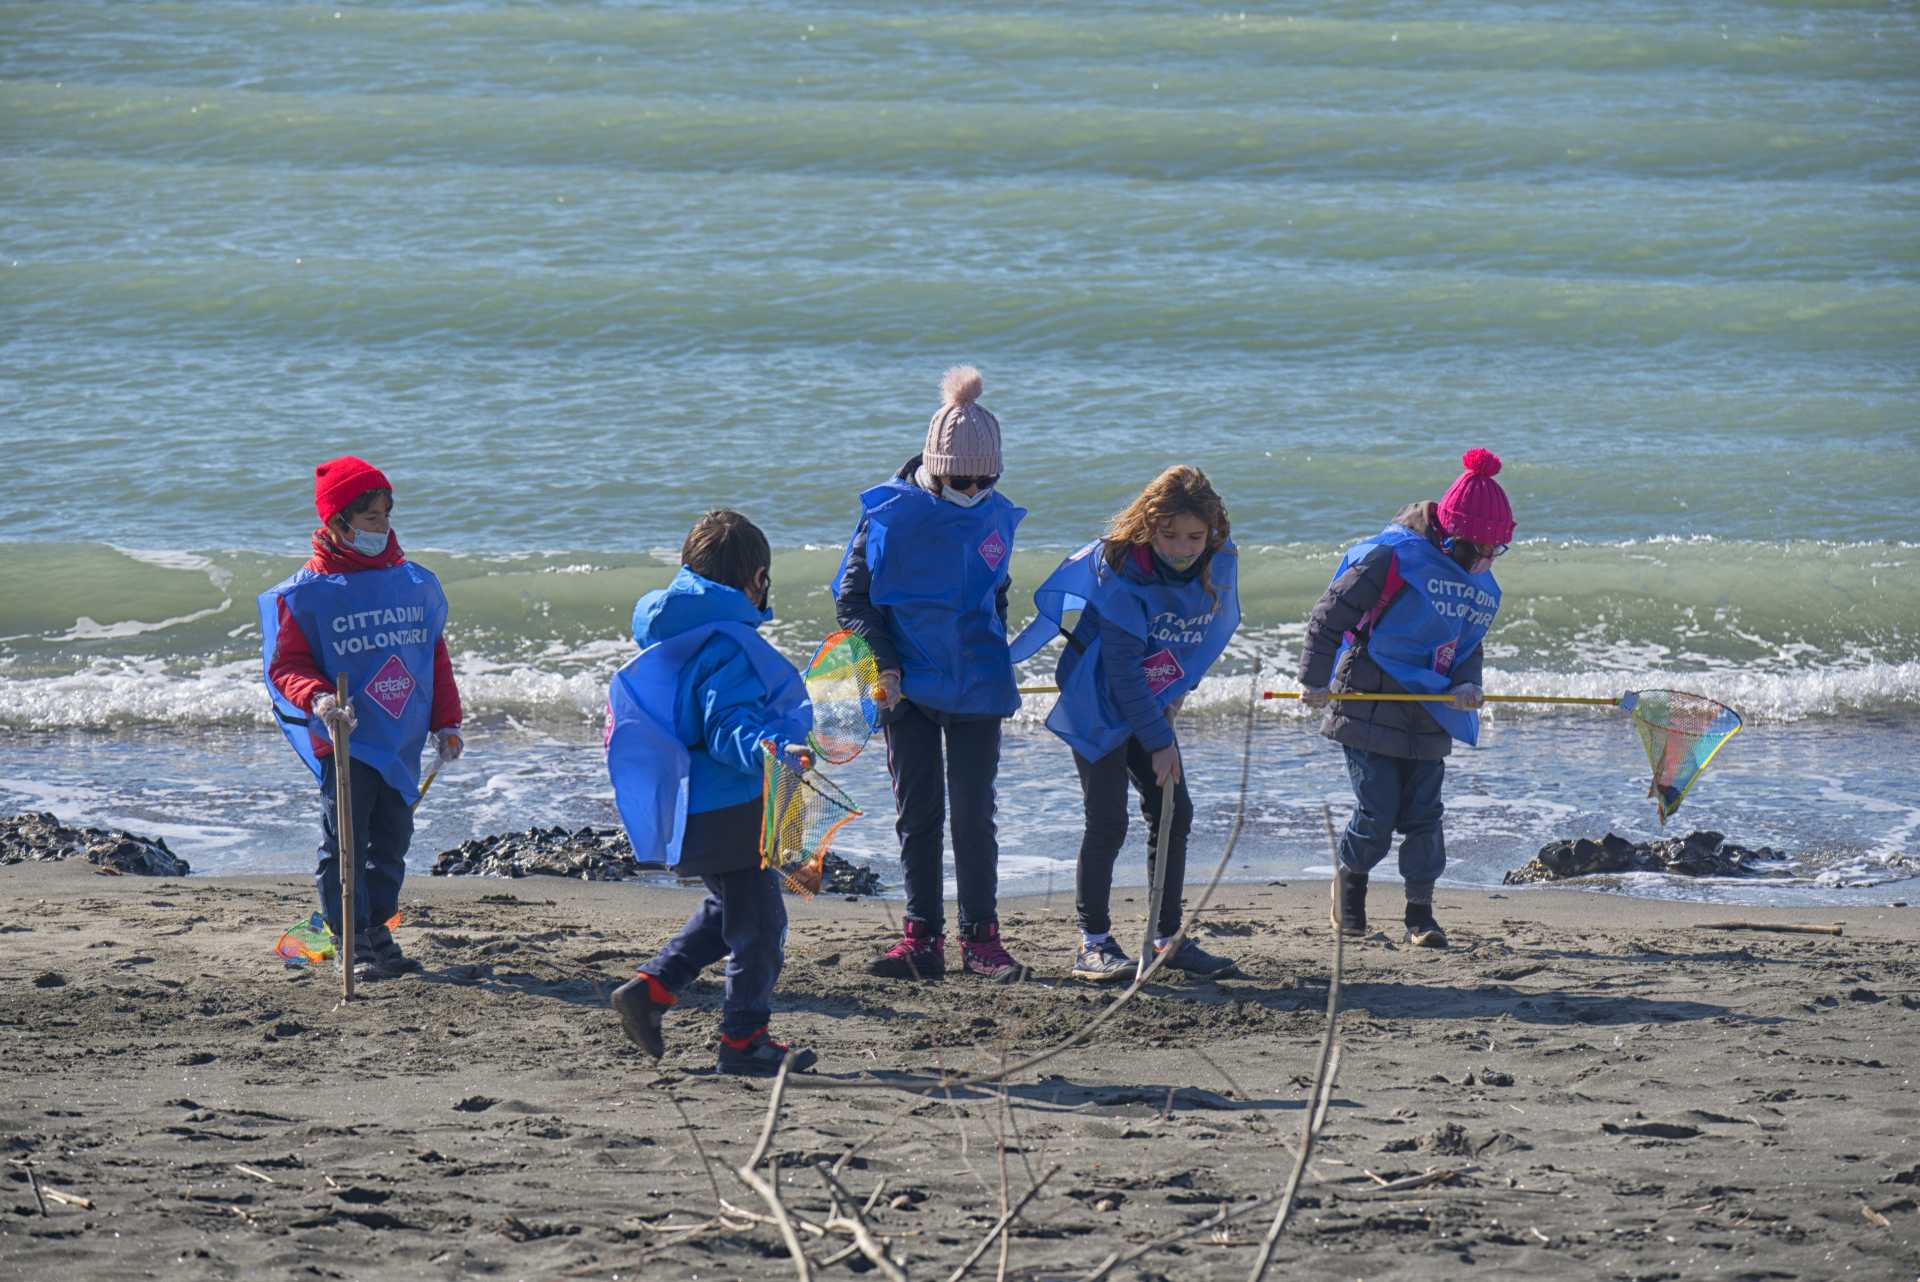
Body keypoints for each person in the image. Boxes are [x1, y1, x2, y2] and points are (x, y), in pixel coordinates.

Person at [605, 510, 818, 1076]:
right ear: (757, 578)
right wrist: (771, 750)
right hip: (731, 803)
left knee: (731, 910)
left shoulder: (682, 634)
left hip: (695, 804)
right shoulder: (729, 644)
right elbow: (726, 725)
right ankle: (744, 1042)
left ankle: (651, 990)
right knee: (762, 926)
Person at [832, 365, 1026, 982]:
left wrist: (998, 640)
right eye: (959, 478)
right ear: (935, 466)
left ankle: (982, 939)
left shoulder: (993, 513)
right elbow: (852, 599)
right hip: (905, 687)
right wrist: (884, 664)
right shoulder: (887, 516)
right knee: (919, 813)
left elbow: (996, 590)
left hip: (976, 683)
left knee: (975, 812)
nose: (971, 488)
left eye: (983, 479)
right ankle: (921, 938)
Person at [1010, 466, 1240, 981]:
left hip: (1148, 695)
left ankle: (1165, 938)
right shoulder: (1122, 574)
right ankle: (1092, 943)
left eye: (1194, 537)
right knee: (1108, 819)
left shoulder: (1214, 564)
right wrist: (1159, 741)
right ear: (1148, 526)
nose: (1182, 548)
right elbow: (1122, 672)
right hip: (1096, 696)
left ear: (1212, 532)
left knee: (1174, 810)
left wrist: (1177, 696)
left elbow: (1198, 638)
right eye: (1170, 535)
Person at [1297, 448, 1513, 949]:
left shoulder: (1477, 578)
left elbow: (1467, 643)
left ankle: (1421, 915)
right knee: (1377, 811)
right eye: (1472, 550)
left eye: (1492, 551)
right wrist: (1313, 679)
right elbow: (1328, 616)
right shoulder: (1390, 556)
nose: (1482, 561)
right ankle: (1349, 894)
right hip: (1366, 697)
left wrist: (1467, 684)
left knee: (1424, 816)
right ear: (1447, 533)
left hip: (1431, 709)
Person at [260, 455, 463, 980]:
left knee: (392, 840)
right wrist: (319, 700)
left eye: (386, 515)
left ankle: (377, 929)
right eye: (370, 518)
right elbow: (287, 666)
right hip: (344, 739)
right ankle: (347, 935)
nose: (382, 528)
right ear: (338, 523)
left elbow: (430, 655)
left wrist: (448, 723)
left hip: (400, 738)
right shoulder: (306, 593)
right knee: (345, 841)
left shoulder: (411, 582)